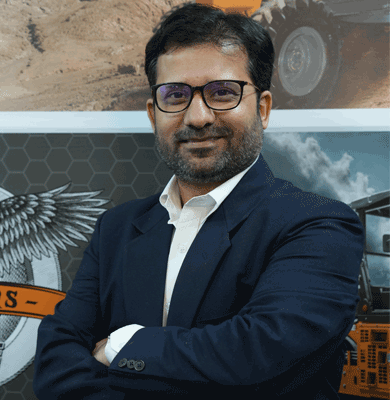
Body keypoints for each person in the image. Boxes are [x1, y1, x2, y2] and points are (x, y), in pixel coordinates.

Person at [33, 3, 364, 399]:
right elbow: (56, 363)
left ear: (263, 109)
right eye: (175, 95)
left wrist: (124, 346)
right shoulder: (116, 229)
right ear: (153, 115)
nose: (198, 117)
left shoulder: (319, 226)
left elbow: (260, 352)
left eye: (222, 92)